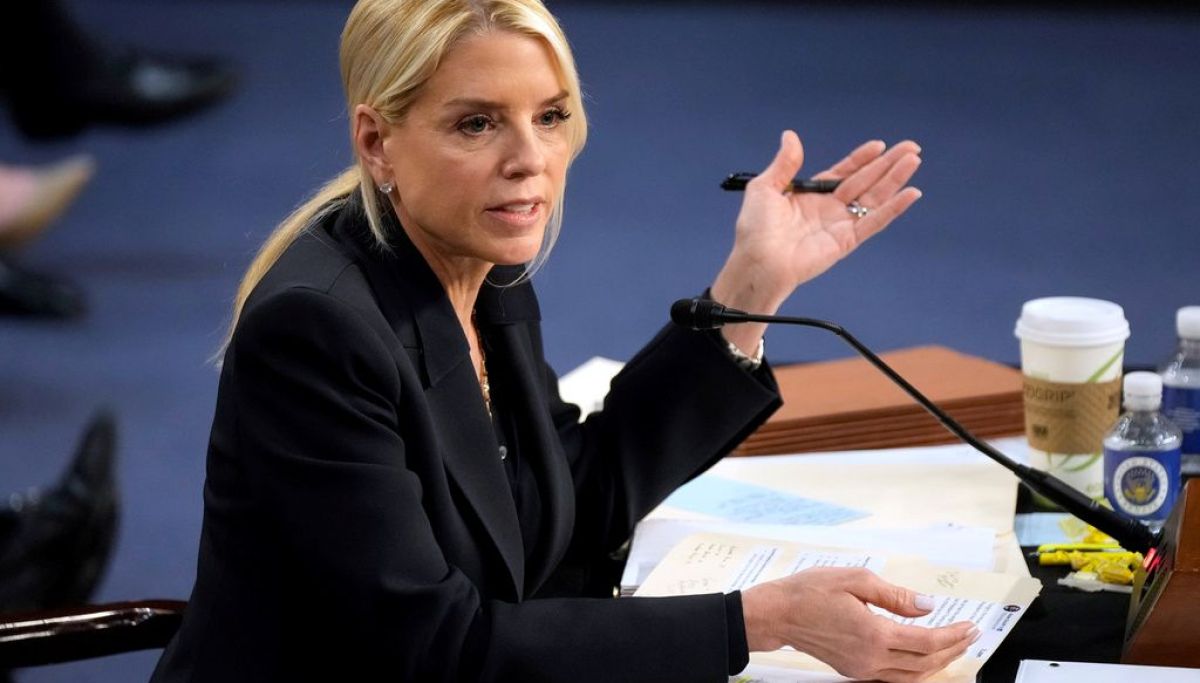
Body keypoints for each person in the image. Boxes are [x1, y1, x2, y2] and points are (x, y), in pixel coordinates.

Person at [151, 1, 977, 681]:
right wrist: (756, 620)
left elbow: (568, 504)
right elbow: (433, 646)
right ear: (377, 142)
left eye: (549, 117)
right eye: (478, 124)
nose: (530, 160)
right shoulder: (316, 331)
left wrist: (751, 288)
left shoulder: (479, 259)